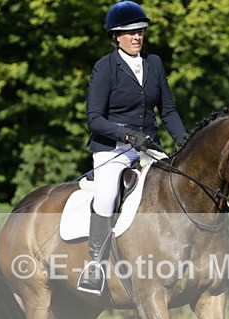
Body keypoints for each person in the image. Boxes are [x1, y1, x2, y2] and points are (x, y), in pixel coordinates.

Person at [77, 0, 189, 295]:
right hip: (112, 149)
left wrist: (185, 143)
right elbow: (94, 119)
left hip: (149, 147)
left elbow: (168, 111)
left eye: (140, 31)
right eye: (129, 33)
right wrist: (126, 135)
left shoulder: (154, 64)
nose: (136, 36)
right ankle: (95, 265)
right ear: (115, 36)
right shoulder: (105, 68)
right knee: (106, 195)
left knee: (179, 185)